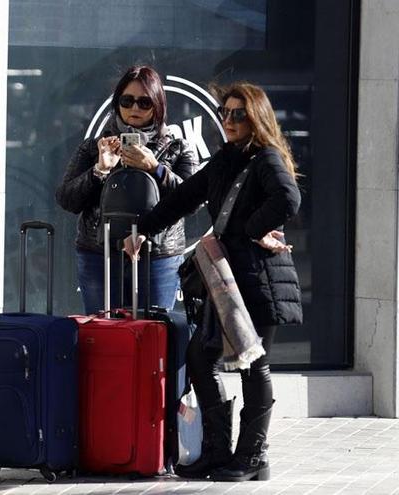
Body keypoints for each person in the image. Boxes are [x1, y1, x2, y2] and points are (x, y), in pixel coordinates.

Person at [124, 82, 302, 481]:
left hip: (259, 279)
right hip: (229, 281)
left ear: (256, 117)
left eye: (238, 114)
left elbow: (288, 199)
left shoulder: (266, 158)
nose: (229, 120)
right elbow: (183, 198)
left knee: (253, 365)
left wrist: (255, 230)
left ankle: (252, 457)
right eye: (225, 112)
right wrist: (143, 231)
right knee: (201, 358)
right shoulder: (226, 160)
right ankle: (219, 451)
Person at [56, 65, 198, 314]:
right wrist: (99, 170)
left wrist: (155, 168)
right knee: (101, 335)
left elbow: (192, 201)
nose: (134, 109)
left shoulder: (178, 148)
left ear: (158, 106)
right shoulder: (95, 147)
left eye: (144, 103)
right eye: (127, 100)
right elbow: (67, 199)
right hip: (99, 254)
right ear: (117, 103)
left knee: (154, 335)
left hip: (157, 257)